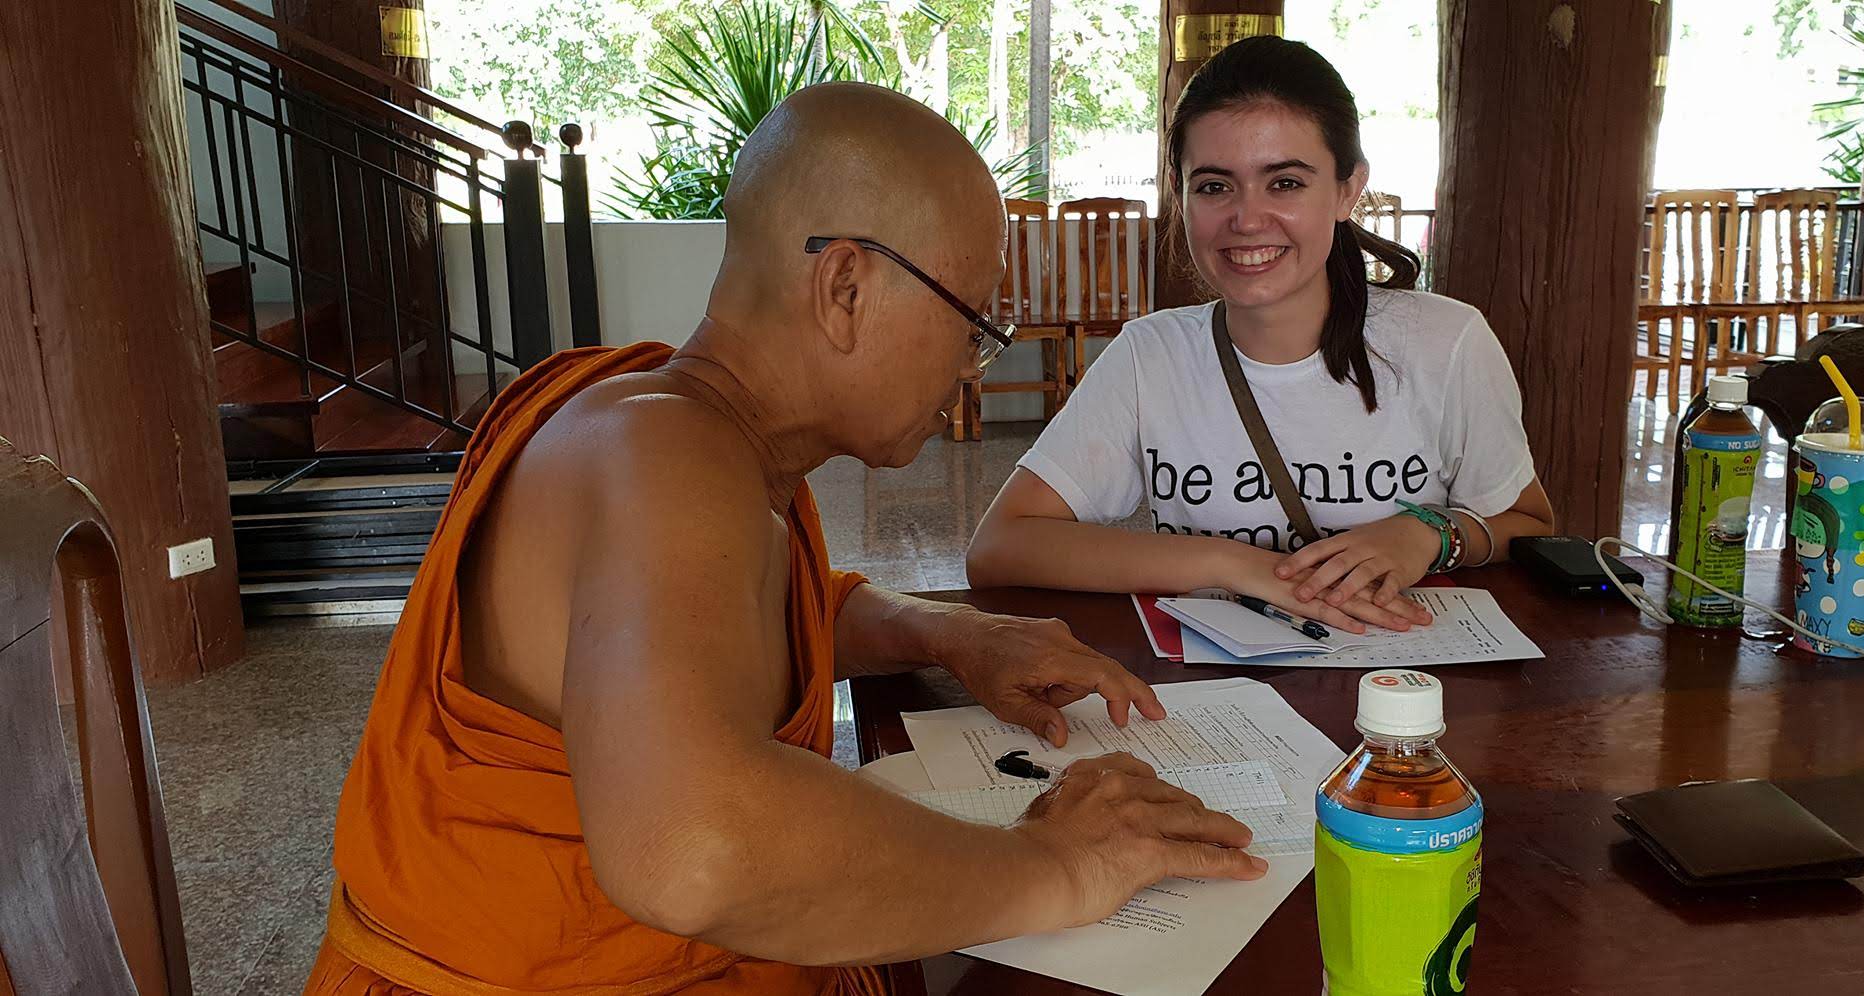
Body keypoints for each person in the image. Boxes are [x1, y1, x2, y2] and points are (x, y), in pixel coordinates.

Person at [304, 83, 1267, 996]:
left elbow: (732, 627)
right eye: (973, 325)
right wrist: (1053, 866)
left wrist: (949, 634)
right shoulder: (666, 452)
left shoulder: (686, 432)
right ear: (845, 286)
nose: (973, 369)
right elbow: (694, 849)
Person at [967, 37, 1555, 634]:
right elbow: (998, 549)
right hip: (1219, 705)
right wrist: (1232, 563)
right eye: (1215, 186)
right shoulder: (1150, 357)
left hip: (1407, 691)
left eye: (1286, 183)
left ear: (1348, 190)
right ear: (1181, 193)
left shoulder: (1446, 341)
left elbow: (1528, 522)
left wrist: (1426, 532)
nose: (1246, 220)